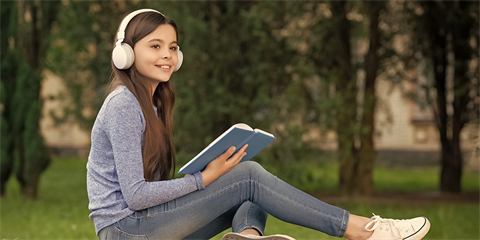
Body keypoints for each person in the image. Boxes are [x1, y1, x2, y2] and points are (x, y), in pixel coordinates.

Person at [86, 9, 431, 240]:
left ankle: (248, 238)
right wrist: (204, 178)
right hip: (123, 230)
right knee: (248, 176)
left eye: (173, 47)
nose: (167, 55)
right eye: (155, 46)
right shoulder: (124, 105)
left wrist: (207, 178)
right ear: (126, 54)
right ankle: (364, 231)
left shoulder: (154, 104)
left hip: (142, 226)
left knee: (252, 187)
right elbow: (135, 195)